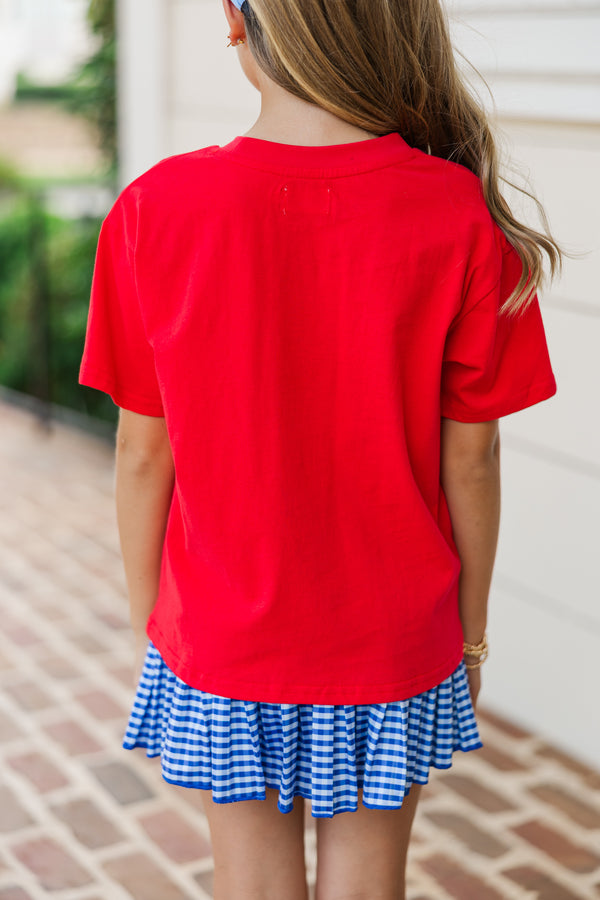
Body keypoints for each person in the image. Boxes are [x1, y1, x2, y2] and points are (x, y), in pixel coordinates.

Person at [79, 0, 561, 897]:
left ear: (236, 22)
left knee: (252, 883)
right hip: (394, 635)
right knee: (370, 885)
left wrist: (159, 619)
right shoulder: (456, 210)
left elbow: (144, 454)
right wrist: (473, 631)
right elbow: (473, 459)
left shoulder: (156, 207)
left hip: (224, 632)